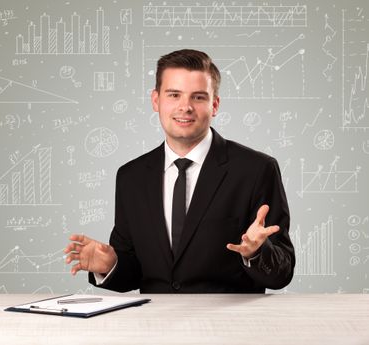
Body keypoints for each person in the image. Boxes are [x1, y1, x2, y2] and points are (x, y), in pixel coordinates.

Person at [64, 49, 295, 293]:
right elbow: (137, 274)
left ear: (214, 105)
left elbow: (283, 272)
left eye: (198, 97)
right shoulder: (130, 177)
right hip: (153, 324)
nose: (185, 107)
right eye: (174, 95)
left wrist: (257, 252)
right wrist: (111, 265)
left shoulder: (256, 170)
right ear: (156, 100)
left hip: (227, 325)